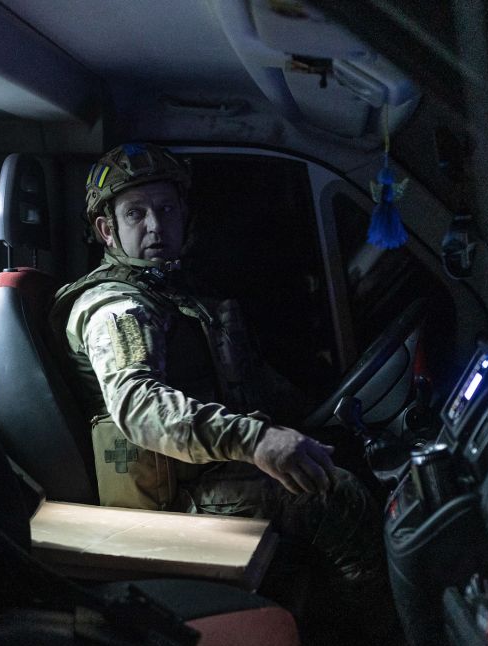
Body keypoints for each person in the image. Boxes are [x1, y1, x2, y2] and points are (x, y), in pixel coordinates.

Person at [51, 143, 382, 586]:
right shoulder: (117, 306)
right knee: (336, 498)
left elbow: (250, 378)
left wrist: (318, 420)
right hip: (169, 497)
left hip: (205, 469)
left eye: (166, 208)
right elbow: (138, 405)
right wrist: (258, 440)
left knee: (352, 459)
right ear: (107, 230)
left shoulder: (176, 292)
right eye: (136, 213)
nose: (155, 225)